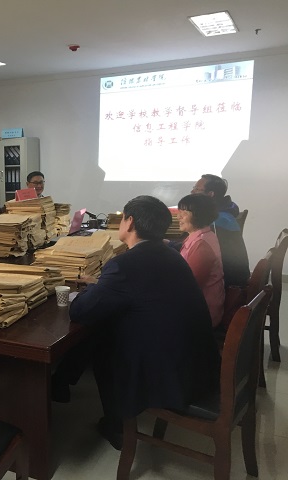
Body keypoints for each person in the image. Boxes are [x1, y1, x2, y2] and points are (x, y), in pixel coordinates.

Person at [66, 195, 219, 449]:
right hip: (198, 364)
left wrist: (85, 291)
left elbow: (80, 311)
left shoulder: (124, 265)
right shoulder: (172, 255)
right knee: (107, 328)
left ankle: (118, 426)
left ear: (130, 222)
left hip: (171, 376)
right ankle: (62, 384)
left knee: (102, 345)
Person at [191, 174, 249, 287]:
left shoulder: (216, 221)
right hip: (232, 277)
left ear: (210, 194)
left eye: (197, 189)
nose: (192, 192)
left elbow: (198, 250)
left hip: (227, 284)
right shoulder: (223, 213)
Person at [177, 194, 225, 327]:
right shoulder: (204, 235)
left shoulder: (201, 245)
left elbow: (189, 286)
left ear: (198, 215)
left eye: (184, 213)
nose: (178, 217)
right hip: (199, 306)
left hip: (201, 314)